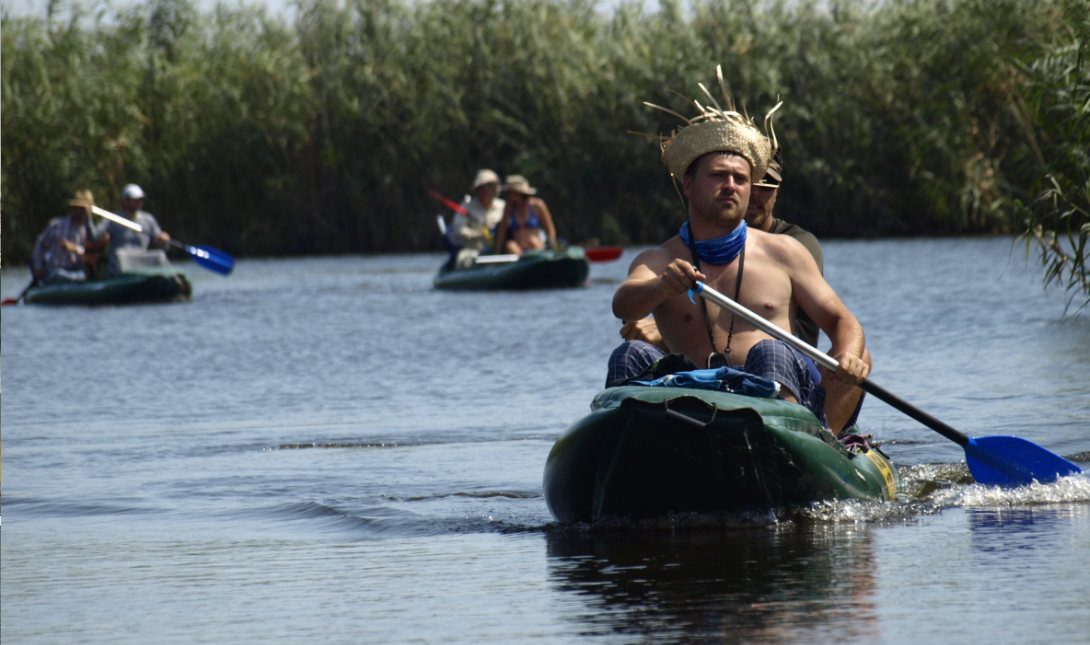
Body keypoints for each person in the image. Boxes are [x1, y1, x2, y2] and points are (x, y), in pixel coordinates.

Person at [609, 72, 869, 430]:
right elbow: (622, 304)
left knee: (771, 350)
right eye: (718, 176)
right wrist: (661, 287)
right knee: (630, 354)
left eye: (741, 179)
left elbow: (844, 322)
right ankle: (630, 450)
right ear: (688, 184)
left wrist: (848, 356)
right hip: (691, 399)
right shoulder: (658, 260)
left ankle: (788, 445)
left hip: (775, 405)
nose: (731, 186)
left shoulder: (786, 252)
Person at [30, 190, 108, 284]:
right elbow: (40, 243)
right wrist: (38, 267)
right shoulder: (56, 225)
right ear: (74, 208)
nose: (83, 211)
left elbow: (92, 253)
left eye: (86, 209)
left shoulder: (90, 230)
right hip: (56, 270)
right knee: (58, 274)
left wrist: (74, 248)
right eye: (80, 208)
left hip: (77, 272)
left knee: (80, 277)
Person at [97, 184, 171, 277]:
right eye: (135, 200)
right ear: (126, 201)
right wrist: (88, 218)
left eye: (140, 199)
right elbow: (95, 237)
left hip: (141, 260)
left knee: (160, 255)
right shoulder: (113, 218)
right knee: (120, 255)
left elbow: (164, 247)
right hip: (121, 263)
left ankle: (175, 281)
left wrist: (164, 241)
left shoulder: (148, 219)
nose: (139, 202)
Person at [493, 175, 557, 255]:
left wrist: (552, 245)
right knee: (510, 245)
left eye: (510, 192)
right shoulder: (509, 208)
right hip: (519, 252)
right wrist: (497, 253)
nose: (507, 195)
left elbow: (550, 229)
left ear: (518, 193)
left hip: (536, 248)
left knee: (533, 241)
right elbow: (502, 231)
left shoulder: (537, 205)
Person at [451, 169, 506, 251]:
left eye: (489, 186)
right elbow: (458, 231)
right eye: (481, 187)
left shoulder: (504, 206)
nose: (484, 190)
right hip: (473, 251)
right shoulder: (466, 207)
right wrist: (479, 233)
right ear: (477, 189)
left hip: (499, 251)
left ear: (495, 189)